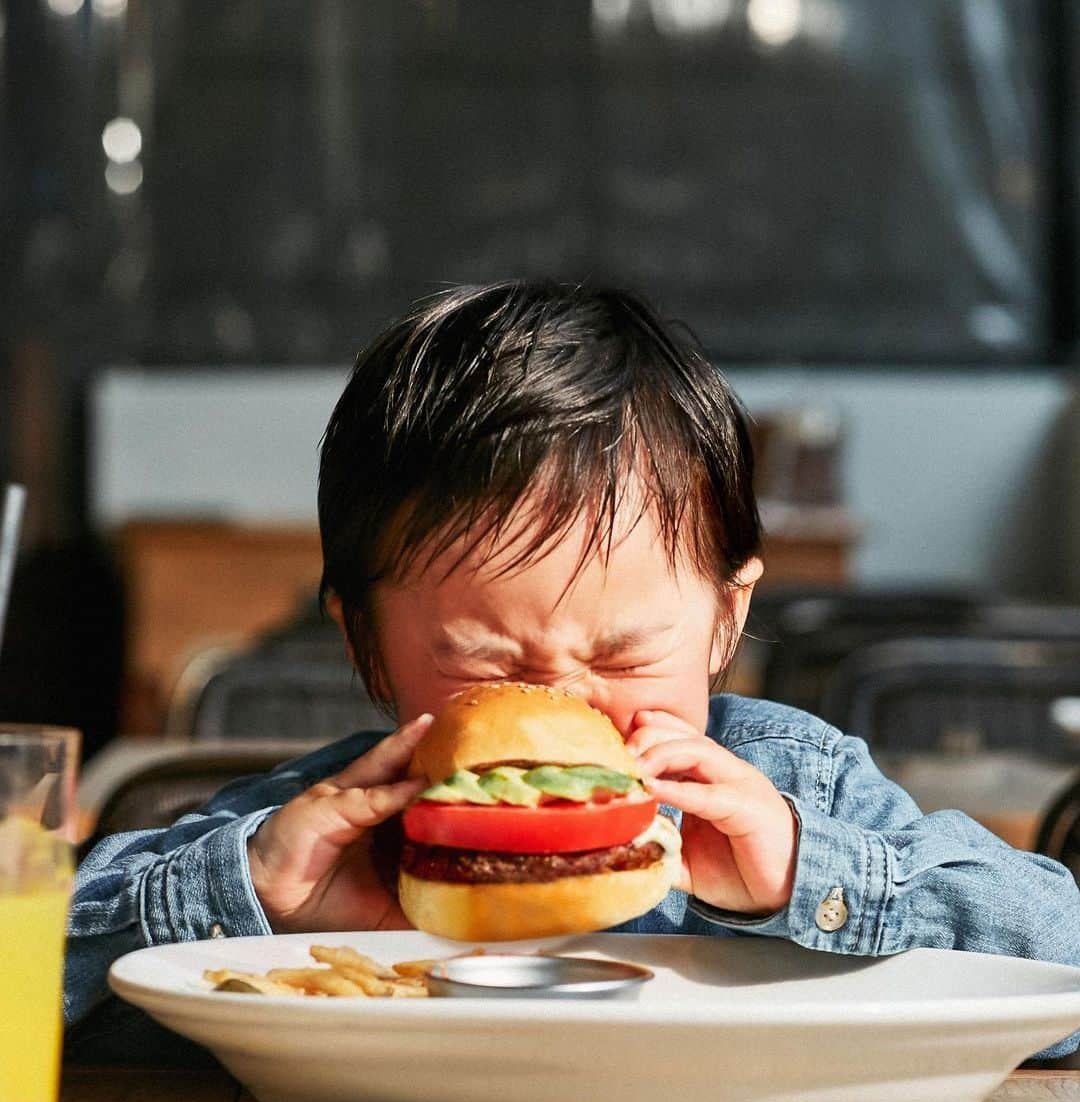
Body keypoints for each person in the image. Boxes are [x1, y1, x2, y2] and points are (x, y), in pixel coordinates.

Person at [67, 281, 1080, 1060]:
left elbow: (1062, 960)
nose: (564, 708)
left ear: (728, 617)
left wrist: (804, 874)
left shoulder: (800, 792)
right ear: (364, 642)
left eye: (626, 653)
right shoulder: (323, 839)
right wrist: (248, 898)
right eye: (482, 665)